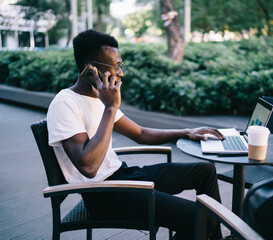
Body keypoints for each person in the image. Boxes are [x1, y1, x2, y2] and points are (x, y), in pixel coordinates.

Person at [47, 29, 225, 240]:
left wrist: (186, 132)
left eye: (120, 65)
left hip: (124, 176)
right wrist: (111, 108)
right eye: (115, 67)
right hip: (103, 195)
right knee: (200, 217)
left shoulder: (99, 98)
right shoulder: (65, 103)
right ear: (90, 70)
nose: (120, 73)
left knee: (204, 171)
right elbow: (89, 167)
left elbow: (141, 133)